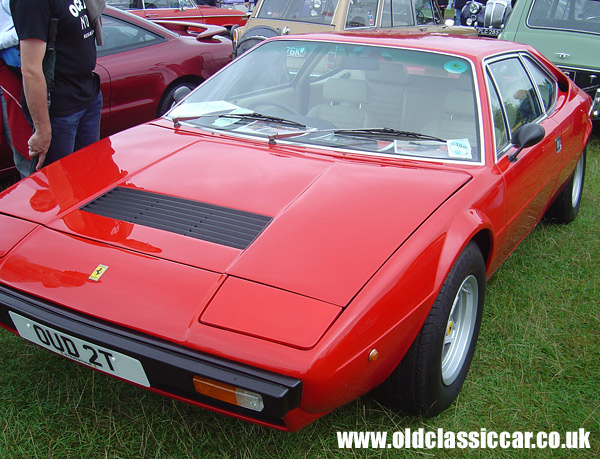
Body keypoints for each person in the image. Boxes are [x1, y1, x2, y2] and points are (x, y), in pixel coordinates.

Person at [9, 0, 104, 175]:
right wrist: (42, 131)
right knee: (58, 187)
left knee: (88, 178)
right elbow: (30, 70)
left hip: (87, 94)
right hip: (60, 108)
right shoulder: (32, 4)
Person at [0, 0, 31, 177]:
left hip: (16, 71)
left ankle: (37, 199)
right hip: (12, 70)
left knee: (25, 151)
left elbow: (30, 30)